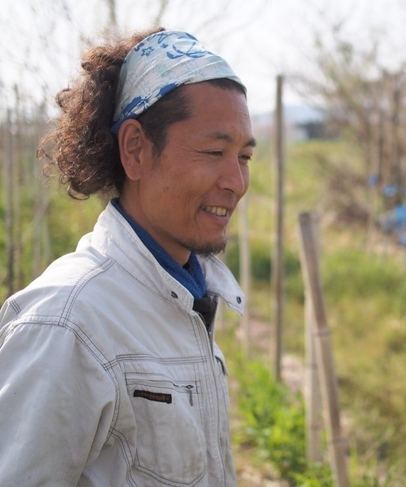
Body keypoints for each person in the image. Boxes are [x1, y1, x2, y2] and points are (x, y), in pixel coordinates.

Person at [0, 28, 255, 486]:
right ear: (135, 150)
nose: (236, 181)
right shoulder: (66, 324)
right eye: (214, 151)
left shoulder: (188, 293)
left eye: (245, 157)